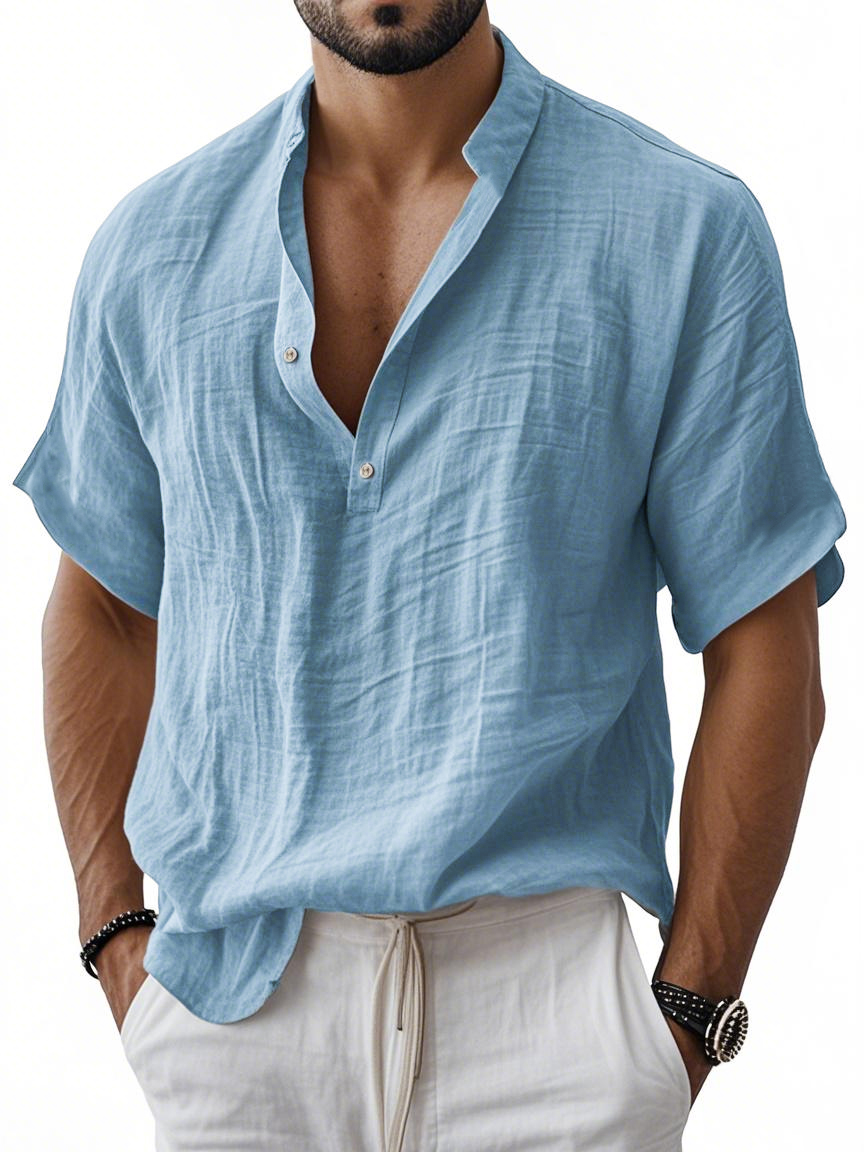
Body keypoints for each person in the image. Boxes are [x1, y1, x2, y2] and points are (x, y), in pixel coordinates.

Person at [12, 3, 847, 1150]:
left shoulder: (683, 230)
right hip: (235, 1017)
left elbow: (766, 640)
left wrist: (689, 1014)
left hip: (552, 1022)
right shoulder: (151, 250)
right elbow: (105, 606)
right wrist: (114, 935)